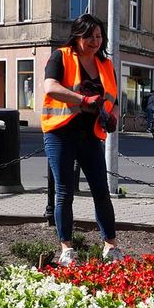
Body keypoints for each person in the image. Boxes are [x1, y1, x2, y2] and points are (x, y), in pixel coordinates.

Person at [41, 13, 123, 266]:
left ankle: (111, 246)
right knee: (64, 192)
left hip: (90, 136)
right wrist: (83, 100)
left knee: (101, 191)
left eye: (99, 36)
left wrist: (113, 117)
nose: (95, 41)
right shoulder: (61, 56)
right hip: (60, 133)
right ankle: (67, 248)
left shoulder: (105, 64)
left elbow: (115, 101)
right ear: (77, 36)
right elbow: (50, 87)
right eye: (89, 36)